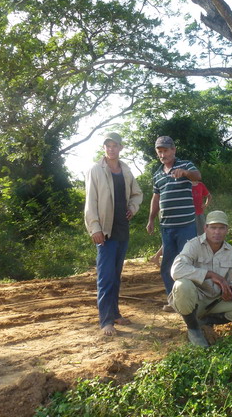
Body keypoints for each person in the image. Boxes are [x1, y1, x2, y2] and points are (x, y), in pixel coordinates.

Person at [169, 210, 232, 347]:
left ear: (226, 230)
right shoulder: (193, 245)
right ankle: (193, 329)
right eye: (213, 228)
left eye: (221, 228)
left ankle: (207, 321)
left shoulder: (230, 251)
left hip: (216, 302)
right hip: (195, 301)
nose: (217, 232)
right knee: (181, 285)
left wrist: (230, 293)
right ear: (205, 228)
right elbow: (176, 270)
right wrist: (211, 274)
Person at [84, 132, 143, 336]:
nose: (111, 149)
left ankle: (116, 314)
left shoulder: (125, 170)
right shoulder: (95, 170)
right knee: (106, 277)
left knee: (116, 276)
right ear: (104, 148)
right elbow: (90, 201)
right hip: (105, 232)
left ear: (120, 148)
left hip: (121, 230)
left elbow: (137, 193)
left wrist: (132, 209)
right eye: (108, 146)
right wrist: (95, 228)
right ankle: (106, 321)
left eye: (115, 145)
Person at [146, 135, 201, 303]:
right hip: (167, 228)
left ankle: (192, 299)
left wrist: (185, 173)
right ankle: (173, 299)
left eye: (165, 151)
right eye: (159, 152)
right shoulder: (157, 175)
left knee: (188, 263)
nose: (163, 155)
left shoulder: (185, 165)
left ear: (173, 150)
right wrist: (151, 219)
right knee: (167, 266)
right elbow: (156, 199)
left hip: (186, 226)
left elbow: (197, 176)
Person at [149, 181, 212, 266]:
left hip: (199, 214)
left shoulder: (200, 185)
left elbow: (209, 195)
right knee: (176, 239)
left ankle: (203, 259)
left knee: (202, 236)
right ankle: (158, 256)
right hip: (187, 216)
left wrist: (206, 204)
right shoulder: (185, 184)